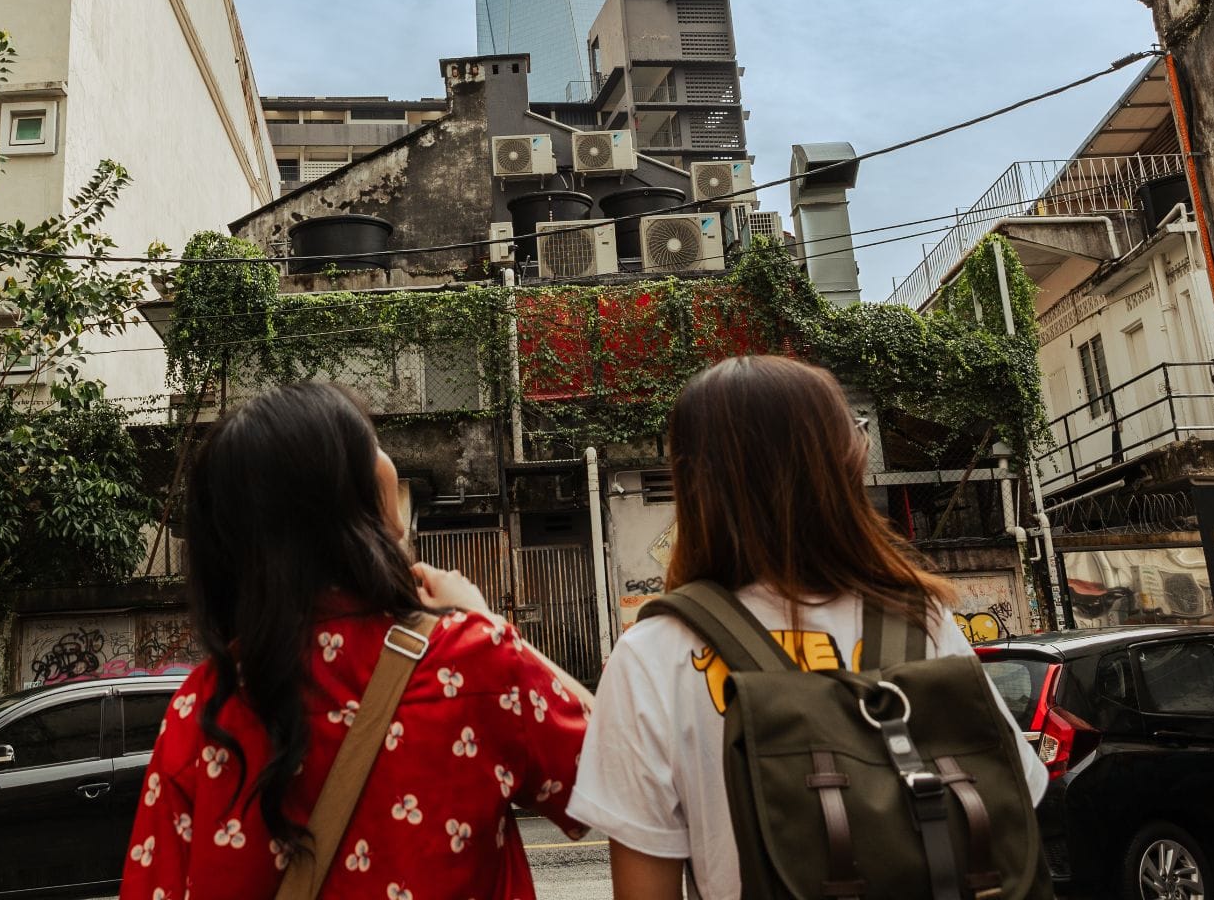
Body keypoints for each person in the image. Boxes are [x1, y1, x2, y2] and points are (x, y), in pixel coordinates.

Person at [568, 355, 1049, 900]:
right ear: (839, 466)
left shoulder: (654, 654)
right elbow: (1012, 814)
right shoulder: (921, 620)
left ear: (694, 485)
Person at [123, 382, 594, 899]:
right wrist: (484, 621)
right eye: (370, 441)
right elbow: (614, 772)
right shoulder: (472, 660)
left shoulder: (200, 707)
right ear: (352, 497)